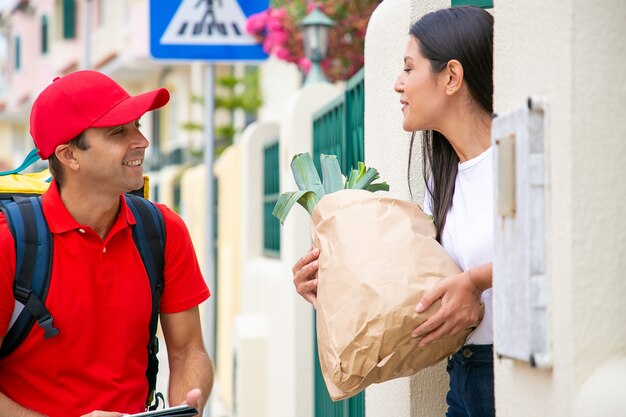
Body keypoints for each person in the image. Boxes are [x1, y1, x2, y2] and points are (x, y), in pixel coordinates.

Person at [292, 6, 494, 417]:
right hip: (465, 380)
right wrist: (334, 281)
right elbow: (419, 282)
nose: (397, 84)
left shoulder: (517, 155)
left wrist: (475, 281)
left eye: (408, 68)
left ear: (451, 77)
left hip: (512, 380)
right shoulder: (443, 177)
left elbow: (554, 247)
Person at [0, 70, 214, 417]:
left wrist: (189, 400)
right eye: (118, 132)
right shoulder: (10, 242)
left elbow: (189, 348)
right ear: (70, 156)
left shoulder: (163, 230)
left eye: (138, 126)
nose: (142, 141)